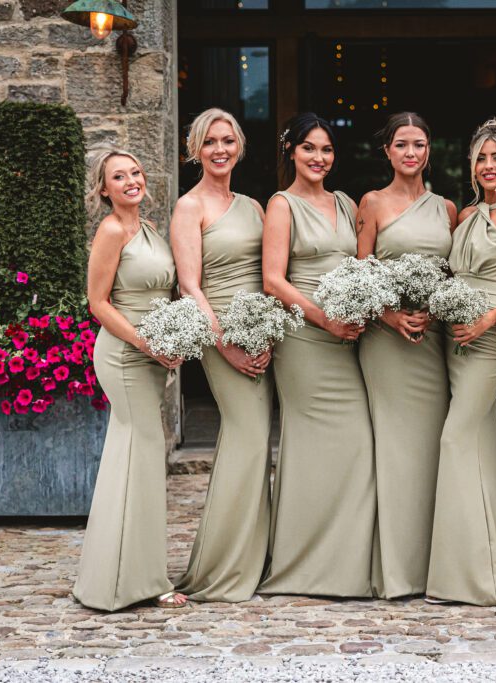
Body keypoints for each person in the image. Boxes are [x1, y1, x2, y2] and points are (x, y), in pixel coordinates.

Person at [259, 113, 375, 597]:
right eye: (309, 148)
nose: (319, 158)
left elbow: (362, 264)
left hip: (346, 338)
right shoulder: (282, 205)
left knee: (357, 445)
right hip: (305, 338)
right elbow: (273, 279)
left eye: (326, 150)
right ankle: (301, 562)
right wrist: (323, 318)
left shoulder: (347, 204)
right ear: (291, 151)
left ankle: (346, 561)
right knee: (308, 447)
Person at [426, 118, 496, 606]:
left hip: (490, 340)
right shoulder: (464, 213)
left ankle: (467, 574)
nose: (489, 166)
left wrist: (486, 321)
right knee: (481, 441)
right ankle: (494, 562)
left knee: (454, 437)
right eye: (481, 158)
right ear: (472, 164)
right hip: (454, 339)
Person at [73, 149, 185, 611]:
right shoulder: (112, 230)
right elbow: (98, 303)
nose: (131, 180)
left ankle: (125, 572)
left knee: (134, 457)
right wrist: (147, 344)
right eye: (118, 176)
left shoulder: (152, 230)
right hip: (123, 355)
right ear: (104, 189)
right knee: (140, 455)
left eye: (135, 172)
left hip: (153, 355)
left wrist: (177, 337)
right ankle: (133, 582)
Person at [169, 108, 271, 602]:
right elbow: (189, 285)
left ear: (239, 146)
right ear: (195, 149)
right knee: (248, 438)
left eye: (228, 140)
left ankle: (252, 555)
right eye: (210, 142)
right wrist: (224, 345)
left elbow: (271, 273)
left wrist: (269, 332)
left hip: (262, 335)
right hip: (220, 335)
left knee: (256, 441)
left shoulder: (253, 207)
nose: (220, 150)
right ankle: (222, 568)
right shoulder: (189, 208)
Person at [356, 112, 457, 599]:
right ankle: (394, 570)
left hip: (432, 342)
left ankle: (431, 565)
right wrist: (391, 316)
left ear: (428, 150)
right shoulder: (371, 203)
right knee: (392, 451)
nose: (411, 153)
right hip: (385, 340)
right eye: (402, 144)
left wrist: (436, 313)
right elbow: (359, 275)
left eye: (419, 144)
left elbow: (457, 274)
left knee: (430, 448)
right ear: (388, 152)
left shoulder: (448, 209)